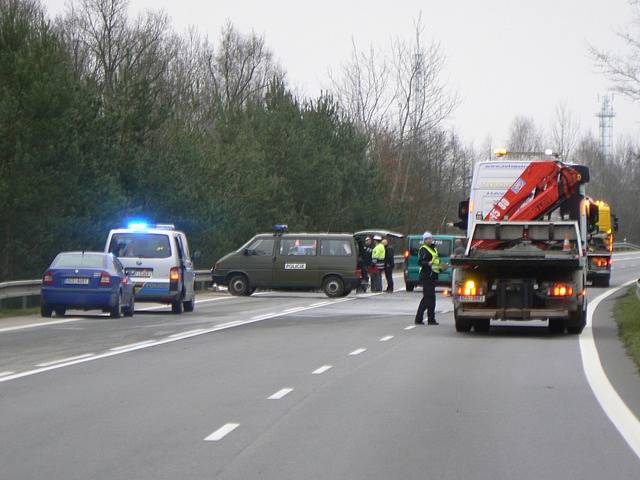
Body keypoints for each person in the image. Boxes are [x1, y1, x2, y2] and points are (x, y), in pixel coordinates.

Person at [414, 231, 440, 325]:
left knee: (431, 298)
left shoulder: (434, 248)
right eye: (427, 239)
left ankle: (430, 318)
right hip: (426, 275)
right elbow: (420, 262)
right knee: (428, 298)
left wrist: (440, 267)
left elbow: (436, 260)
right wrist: (427, 263)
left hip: (433, 275)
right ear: (424, 240)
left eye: (430, 238)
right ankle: (421, 318)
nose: (429, 240)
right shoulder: (423, 249)